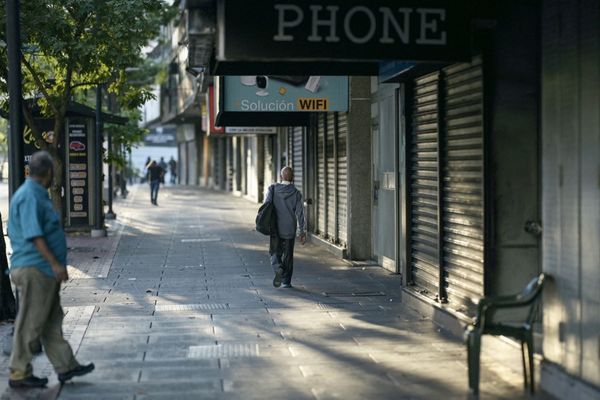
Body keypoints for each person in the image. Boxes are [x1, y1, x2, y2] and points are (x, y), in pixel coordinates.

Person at [7, 151, 94, 388]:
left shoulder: (36, 194)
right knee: (31, 322)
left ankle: (66, 366)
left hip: (42, 269)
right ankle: (19, 372)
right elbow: (34, 235)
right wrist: (56, 264)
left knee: (52, 320)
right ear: (47, 172)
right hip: (36, 268)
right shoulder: (30, 196)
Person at [264, 166, 306, 288]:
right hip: (289, 229)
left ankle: (278, 268)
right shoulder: (296, 193)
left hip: (275, 227)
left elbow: (266, 205)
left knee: (274, 252)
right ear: (292, 178)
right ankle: (286, 281)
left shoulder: (273, 189)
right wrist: (302, 231)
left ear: (281, 176)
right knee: (288, 255)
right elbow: (300, 213)